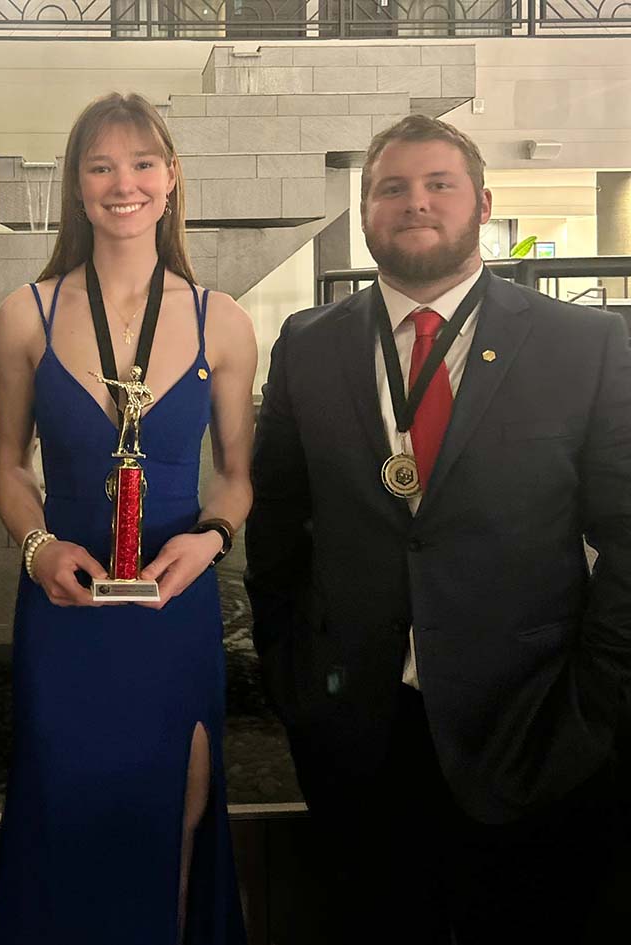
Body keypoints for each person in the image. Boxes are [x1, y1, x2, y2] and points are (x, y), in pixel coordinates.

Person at [245, 114, 631, 944]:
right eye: (392, 187)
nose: (415, 202)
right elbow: (276, 523)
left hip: (534, 732)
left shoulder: (584, 344)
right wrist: (292, 675)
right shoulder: (307, 344)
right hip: (356, 737)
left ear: (481, 204)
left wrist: (598, 701)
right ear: (365, 210)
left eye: (438, 184)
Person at [0, 92, 256, 944]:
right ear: (76, 183)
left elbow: (237, 480)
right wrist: (37, 548)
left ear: (171, 178)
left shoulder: (224, 320)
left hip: (174, 609)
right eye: (100, 165)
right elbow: (7, 468)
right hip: (64, 608)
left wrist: (210, 541)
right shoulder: (26, 313)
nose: (123, 183)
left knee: (177, 813)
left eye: (142, 163)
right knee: (64, 812)